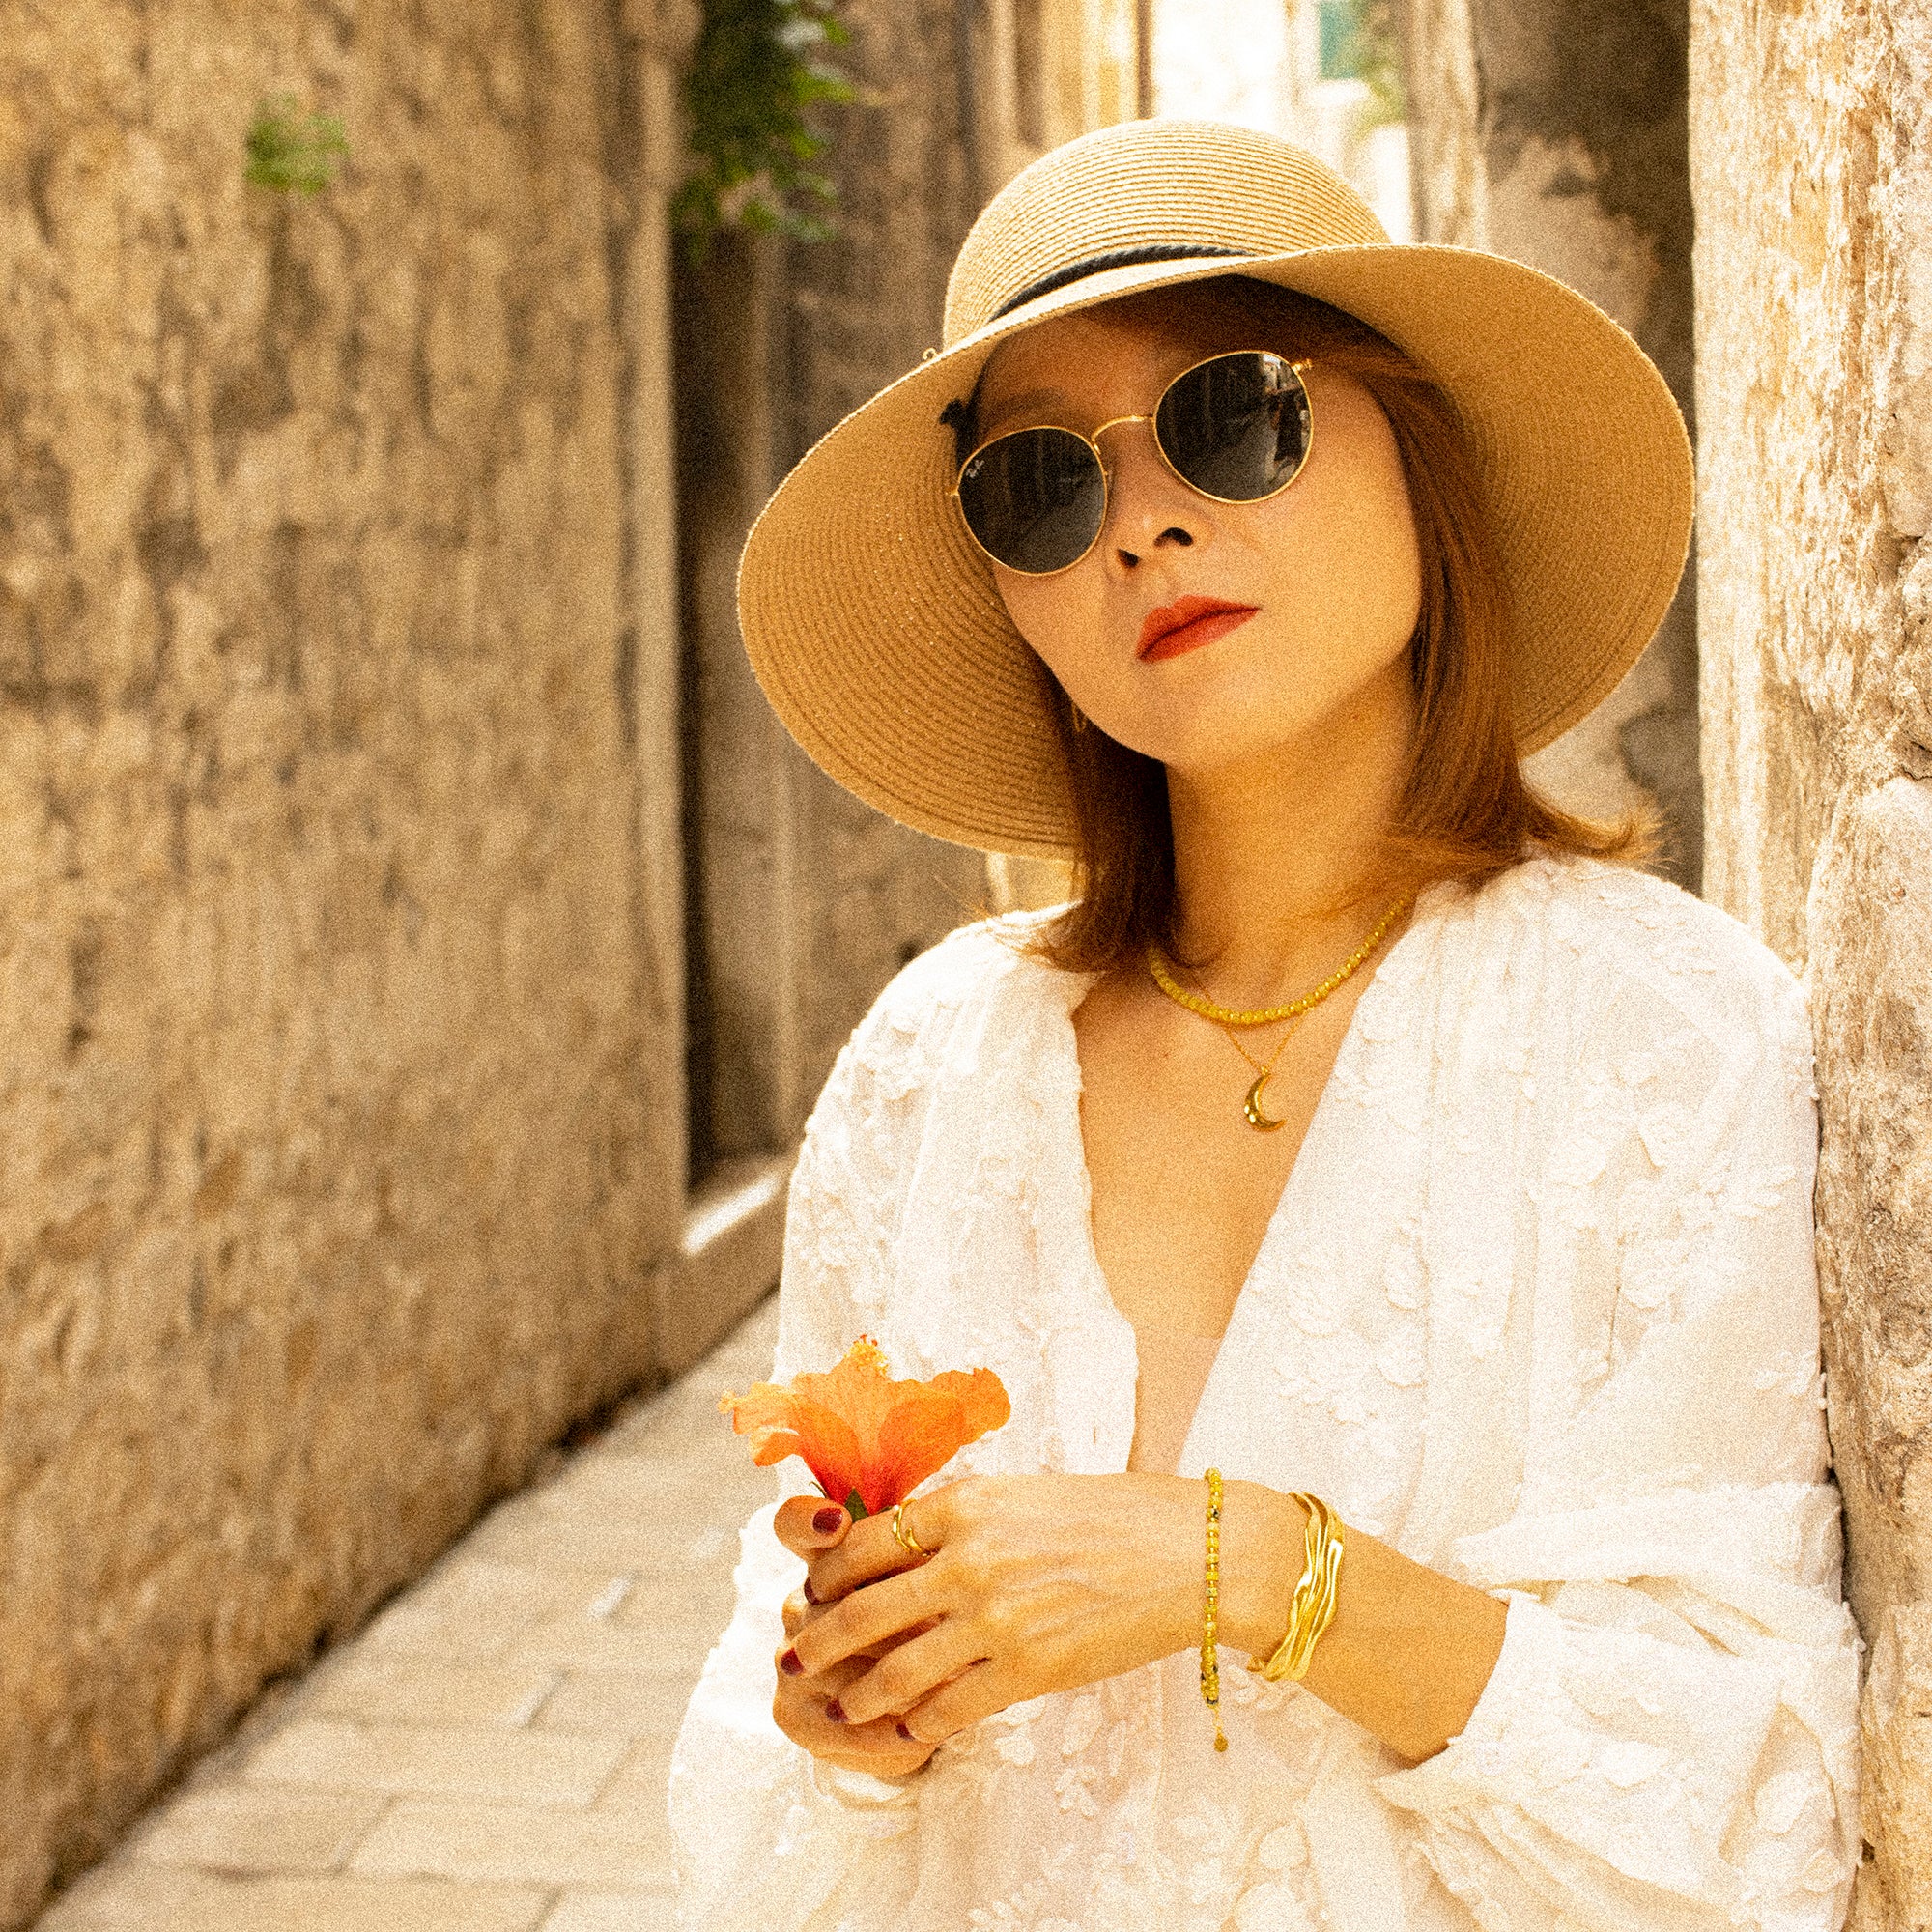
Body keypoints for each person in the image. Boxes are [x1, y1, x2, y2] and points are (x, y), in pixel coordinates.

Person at [668, 120, 1862, 1932]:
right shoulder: (930, 1067)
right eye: (1040, 487)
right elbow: (777, 1763)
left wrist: (1247, 1569)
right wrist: (851, 1723)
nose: (1143, 523)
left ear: (1419, 458)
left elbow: (1755, 1817)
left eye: (1232, 413)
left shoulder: (1669, 1044)